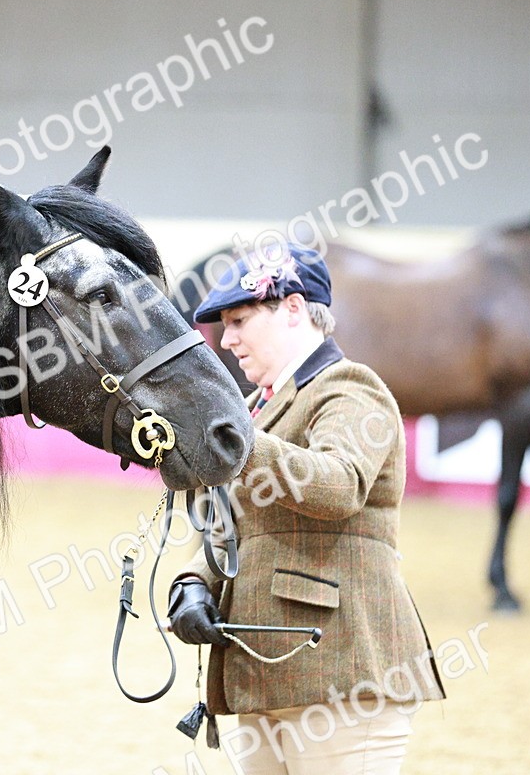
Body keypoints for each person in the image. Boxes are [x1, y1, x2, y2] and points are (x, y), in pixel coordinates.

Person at [168, 247, 444, 775]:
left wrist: (240, 443)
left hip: (342, 667)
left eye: (239, 320)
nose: (226, 339)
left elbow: (339, 484)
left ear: (294, 308)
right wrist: (194, 580)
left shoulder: (350, 387)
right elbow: (232, 525)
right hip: (262, 664)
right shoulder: (255, 408)